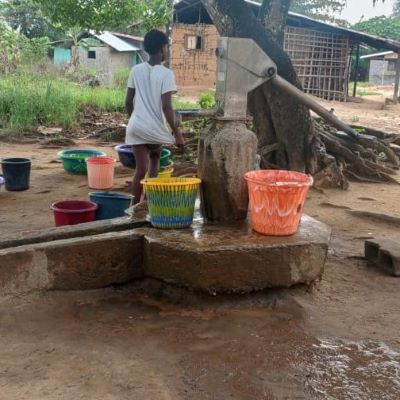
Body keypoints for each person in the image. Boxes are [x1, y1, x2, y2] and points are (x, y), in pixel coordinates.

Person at [125, 29, 185, 205]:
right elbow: (167, 107)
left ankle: (133, 210)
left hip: (136, 126)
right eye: (167, 46)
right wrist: (177, 133)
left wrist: (133, 120)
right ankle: (150, 205)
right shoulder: (166, 74)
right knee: (154, 160)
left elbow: (128, 102)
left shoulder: (135, 70)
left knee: (140, 169)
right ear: (162, 47)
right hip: (154, 127)